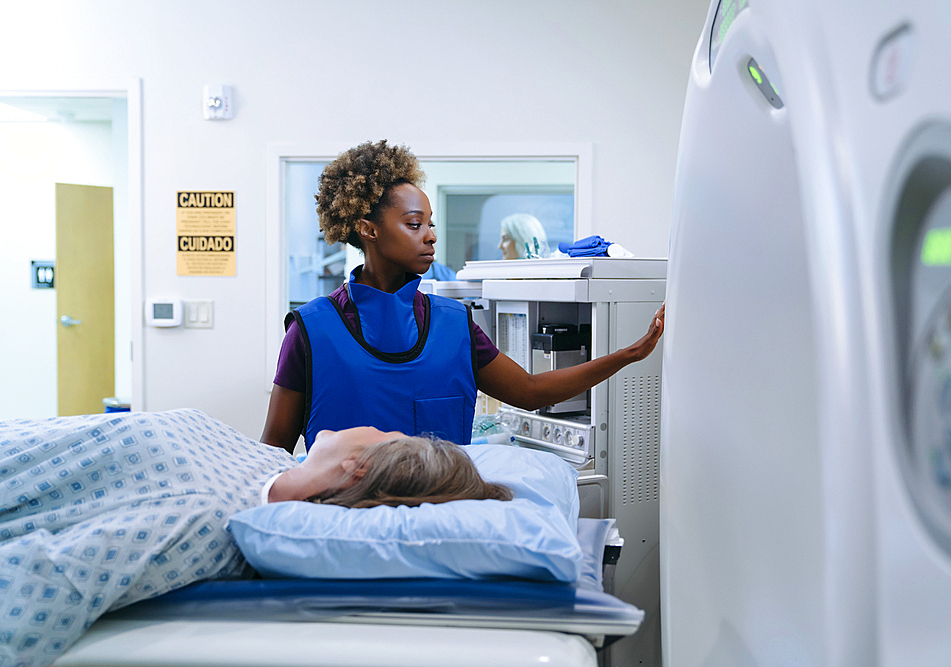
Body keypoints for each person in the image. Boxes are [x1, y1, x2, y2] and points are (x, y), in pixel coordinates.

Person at [0, 409, 506, 667]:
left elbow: (35, 589)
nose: (372, 425)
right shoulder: (273, 465)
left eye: (386, 433)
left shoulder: (202, 521)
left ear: (357, 469)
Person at [261, 140, 666, 454]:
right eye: (414, 224)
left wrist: (629, 354)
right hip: (345, 531)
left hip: (439, 524)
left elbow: (529, 390)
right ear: (368, 230)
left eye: (430, 224)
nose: (431, 235)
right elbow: (272, 453)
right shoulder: (311, 331)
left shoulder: (453, 324)